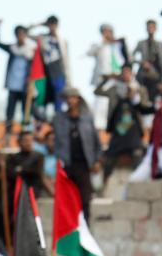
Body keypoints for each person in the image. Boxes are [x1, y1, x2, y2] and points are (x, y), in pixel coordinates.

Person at [52, 88, 100, 218]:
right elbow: (55, 141)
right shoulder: (59, 119)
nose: (70, 100)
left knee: (85, 199)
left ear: (78, 99)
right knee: (67, 200)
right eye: (67, 98)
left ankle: (85, 226)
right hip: (66, 164)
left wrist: (96, 161)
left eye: (72, 97)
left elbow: (96, 142)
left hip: (84, 164)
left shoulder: (87, 119)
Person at [0, 21, 38, 137]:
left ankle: (26, 132)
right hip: (13, 85)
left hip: (25, 86)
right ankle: (8, 132)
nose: (20, 37)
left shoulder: (31, 50)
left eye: (23, 34)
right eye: (18, 34)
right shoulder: (12, 48)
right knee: (10, 111)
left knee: (26, 111)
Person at [87, 25, 128, 127]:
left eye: (109, 32)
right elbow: (89, 53)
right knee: (101, 106)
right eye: (105, 32)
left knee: (120, 106)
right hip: (103, 81)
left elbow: (126, 60)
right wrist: (103, 43)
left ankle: (117, 128)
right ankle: (100, 129)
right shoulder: (99, 45)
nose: (108, 34)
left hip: (118, 80)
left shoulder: (119, 45)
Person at [32, 15, 69, 110]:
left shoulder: (62, 40)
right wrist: (39, 24)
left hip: (59, 73)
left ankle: (57, 117)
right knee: (43, 99)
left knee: (59, 100)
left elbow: (66, 61)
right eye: (50, 24)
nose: (52, 27)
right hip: (45, 72)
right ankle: (41, 117)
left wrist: (68, 77)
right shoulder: (42, 38)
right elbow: (26, 33)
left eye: (54, 24)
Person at [8, 129, 53, 199]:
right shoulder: (13, 158)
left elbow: (40, 174)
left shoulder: (38, 156)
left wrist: (21, 169)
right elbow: (12, 174)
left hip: (34, 193)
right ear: (19, 142)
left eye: (30, 140)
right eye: (25, 141)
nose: (28, 143)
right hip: (18, 194)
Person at [132, 19, 162, 102]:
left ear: (156, 28)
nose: (150, 29)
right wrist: (142, 63)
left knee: (155, 98)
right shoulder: (141, 43)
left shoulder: (160, 44)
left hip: (156, 76)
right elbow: (131, 57)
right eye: (149, 27)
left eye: (152, 27)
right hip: (143, 76)